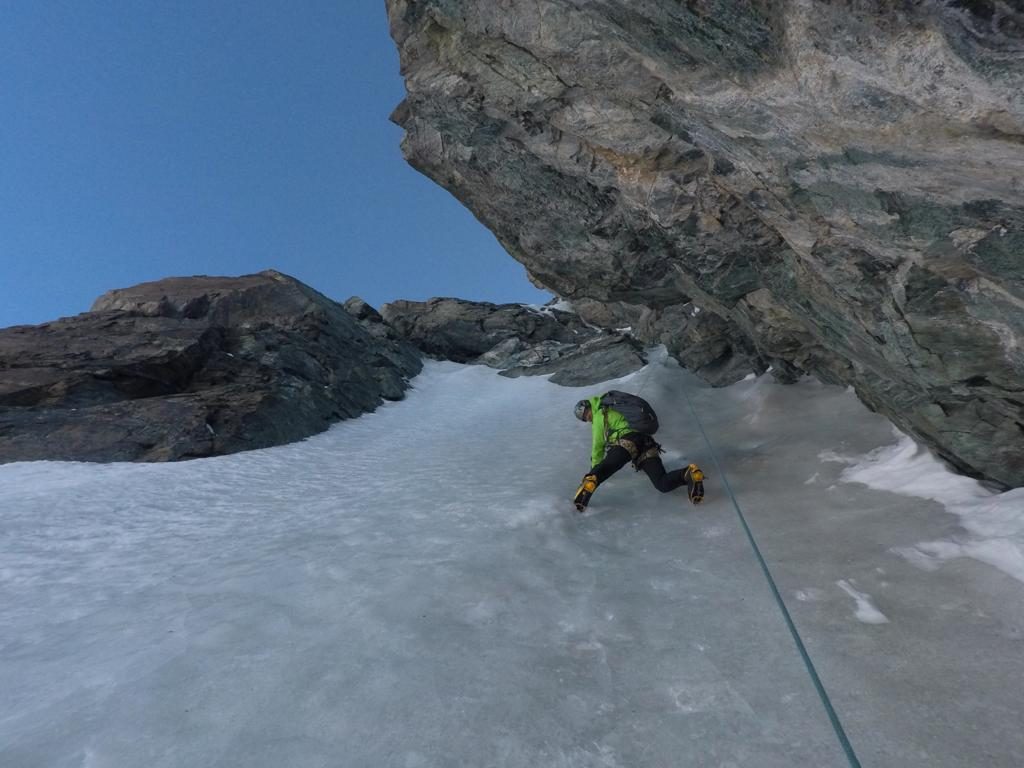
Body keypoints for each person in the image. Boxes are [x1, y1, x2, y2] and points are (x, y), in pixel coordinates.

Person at [572, 394, 704, 511]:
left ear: (589, 408)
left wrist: (593, 471)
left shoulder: (600, 414)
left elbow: (597, 447)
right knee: (661, 483)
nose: (588, 418)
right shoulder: (612, 407)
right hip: (646, 443)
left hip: (628, 441)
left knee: (607, 466)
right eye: (585, 418)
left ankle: (589, 483)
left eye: (586, 415)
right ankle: (688, 474)